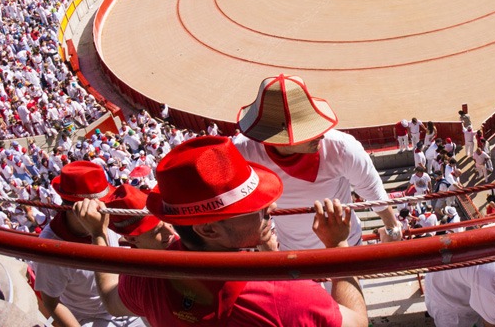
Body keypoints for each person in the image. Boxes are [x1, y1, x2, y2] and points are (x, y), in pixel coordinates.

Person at [75, 135, 368, 327]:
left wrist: (99, 235)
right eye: (252, 207)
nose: (270, 207)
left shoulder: (151, 275)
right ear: (208, 230)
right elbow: (357, 323)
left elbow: (112, 301)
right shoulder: (284, 296)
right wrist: (339, 247)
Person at [233, 75, 402, 248]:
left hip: (345, 247)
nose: (321, 133)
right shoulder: (243, 152)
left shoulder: (343, 147)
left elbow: (373, 192)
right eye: (308, 131)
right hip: (293, 256)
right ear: (279, 139)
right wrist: (264, 242)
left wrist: (392, 229)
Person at [31, 161, 144, 327]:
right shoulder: (51, 247)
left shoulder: (105, 214)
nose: (107, 204)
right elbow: (51, 301)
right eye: (102, 201)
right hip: (93, 317)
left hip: (124, 296)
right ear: (80, 208)